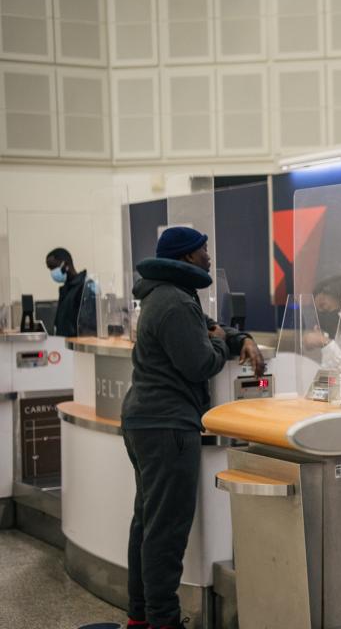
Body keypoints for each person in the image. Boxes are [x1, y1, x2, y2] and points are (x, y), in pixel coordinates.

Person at [120, 227, 265, 629]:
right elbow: (200, 361)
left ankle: (141, 616)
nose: (208, 258)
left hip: (145, 421)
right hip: (168, 426)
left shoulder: (165, 296)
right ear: (186, 258)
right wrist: (221, 344)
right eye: (204, 252)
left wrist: (240, 338)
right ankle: (164, 621)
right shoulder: (175, 303)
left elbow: (211, 327)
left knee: (147, 524)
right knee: (166, 531)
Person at [45, 247, 87, 337]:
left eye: (53, 267)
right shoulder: (65, 290)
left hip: (77, 345)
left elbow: (87, 325)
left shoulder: (84, 287)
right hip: (63, 344)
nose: (52, 272)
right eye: (50, 269)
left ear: (66, 264)